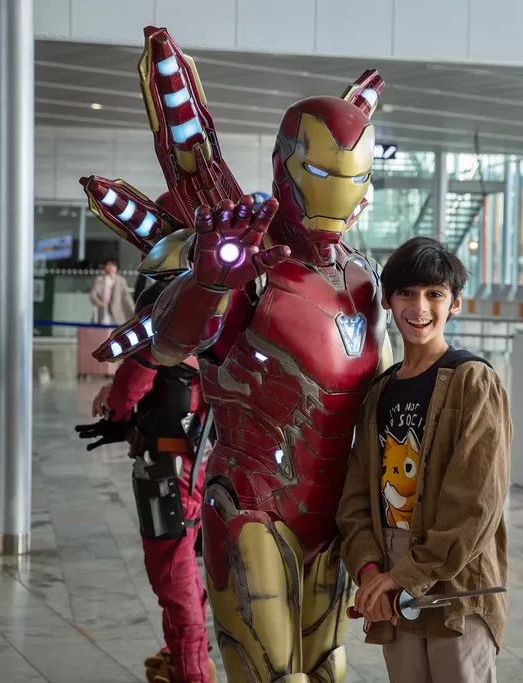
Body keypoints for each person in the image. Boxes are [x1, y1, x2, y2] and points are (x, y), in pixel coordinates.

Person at [78, 29, 392, 681]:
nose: (343, 191)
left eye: (355, 176)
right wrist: (211, 278)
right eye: (326, 172)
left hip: (334, 514)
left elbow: (386, 391)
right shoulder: (249, 265)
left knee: (329, 667)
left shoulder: (364, 277)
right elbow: (170, 342)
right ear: (287, 165)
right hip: (252, 503)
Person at [337, 237, 512, 683]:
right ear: (389, 301)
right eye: (407, 293)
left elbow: (475, 504)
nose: (420, 307)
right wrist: (372, 571)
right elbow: (356, 498)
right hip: (391, 577)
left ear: (453, 304)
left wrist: (406, 576)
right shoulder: (379, 392)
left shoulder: (473, 381)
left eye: (435, 294)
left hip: (455, 579)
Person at [77, 277, 215, 683]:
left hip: (167, 477)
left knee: (173, 580)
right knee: (184, 575)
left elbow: (124, 396)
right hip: (198, 476)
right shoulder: (213, 352)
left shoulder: (157, 351)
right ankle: (185, 662)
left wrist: (120, 410)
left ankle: (192, 672)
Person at [89, 257, 134, 325]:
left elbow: (126, 296)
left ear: (116, 267)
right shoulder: (99, 280)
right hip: (103, 311)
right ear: (105, 267)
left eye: (113, 265)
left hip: (117, 313)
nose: (111, 268)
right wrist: (98, 302)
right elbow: (93, 295)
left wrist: (133, 309)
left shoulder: (120, 280)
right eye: (108, 265)